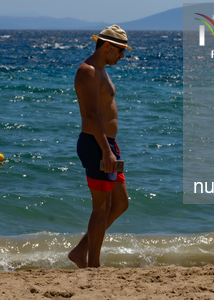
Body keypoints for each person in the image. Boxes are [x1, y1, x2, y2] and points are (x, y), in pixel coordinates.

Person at [68, 25, 131, 268]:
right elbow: (92, 114)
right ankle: (93, 265)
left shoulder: (101, 70)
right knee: (101, 208)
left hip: (107, 144)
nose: (122, 56)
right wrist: (105, 150)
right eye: (120, 50)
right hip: (96, 144)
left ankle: (81, 250)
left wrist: (110, 147)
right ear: (107, 46)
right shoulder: (89, 71)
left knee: (121, 203)